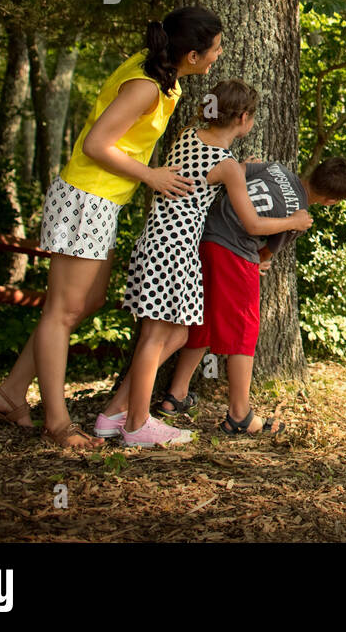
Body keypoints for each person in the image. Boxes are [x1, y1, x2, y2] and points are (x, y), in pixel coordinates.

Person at [0, 7, 223, 449]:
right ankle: (56, 424)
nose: (218, 55)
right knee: (61, 313)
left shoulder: (160, 73)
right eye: (215, 49)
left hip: (103, 202)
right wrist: (150, 175)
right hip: (86, 199)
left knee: (88, 301)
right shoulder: (145, 86)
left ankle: (10, 393)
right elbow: (97, 143)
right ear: (192, 54)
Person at [93, 80, 313, 447]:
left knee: (176, 334)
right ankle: (136, 424)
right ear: (243, 118)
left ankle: (114, 412)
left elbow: (199, 175)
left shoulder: (189, 135)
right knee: (155, 336)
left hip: (157, 241)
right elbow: (254, 224)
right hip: (177, 248)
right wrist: (294, 222)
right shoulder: (226, 166)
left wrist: (241, 168)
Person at [157, 157, 346, 435]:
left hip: (204, 238)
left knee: (200, 317)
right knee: (244, 330)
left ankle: (176, 395)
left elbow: (237, 172)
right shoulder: (298, 216)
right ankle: (239, 414)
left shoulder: (275, 168)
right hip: (235, 253)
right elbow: (267, 252)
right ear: (330, 201)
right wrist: (265, 254)